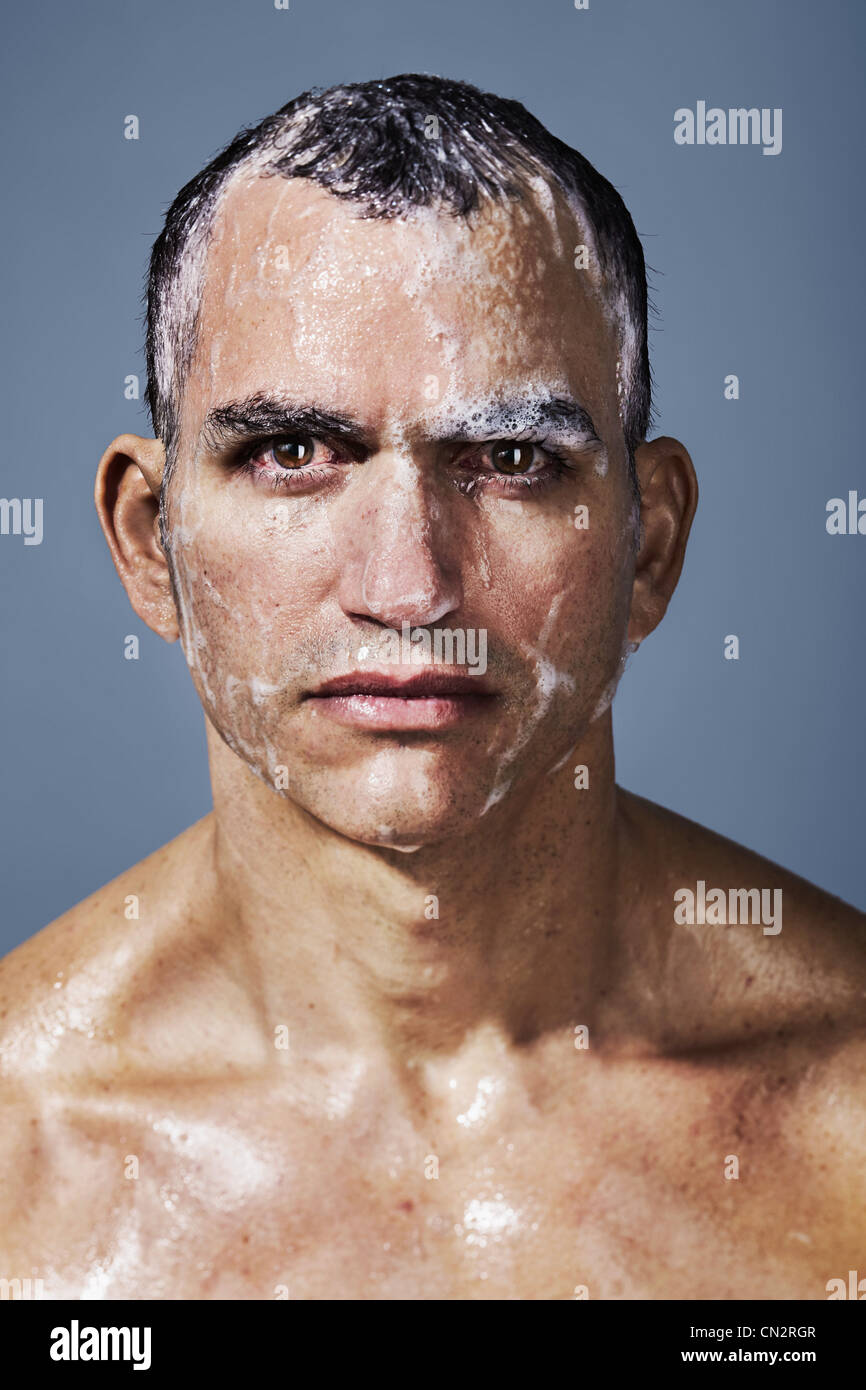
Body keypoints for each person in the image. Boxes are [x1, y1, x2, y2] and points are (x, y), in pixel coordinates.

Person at [1, 74, 863, 1301]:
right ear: (152, 542)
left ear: (648, 545)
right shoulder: (21, 1159)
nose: (406, 588)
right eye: (292, 453)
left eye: (509, 460)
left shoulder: (842, 1127)